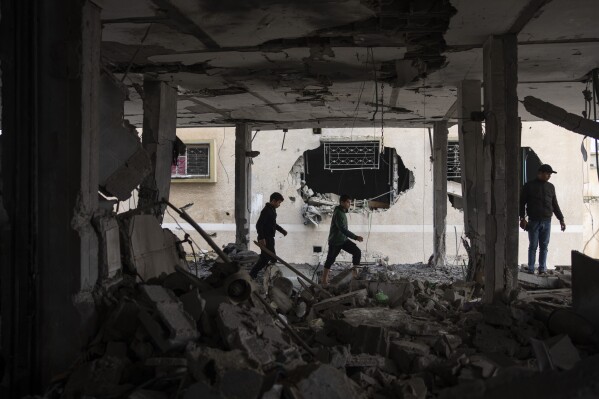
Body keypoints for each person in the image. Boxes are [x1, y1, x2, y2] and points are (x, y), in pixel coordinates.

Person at [519, 164, 566, 274]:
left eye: (550, 174)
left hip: (547, 221)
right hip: (533, 221)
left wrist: (561, 219)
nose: (549, 176)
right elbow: (521, 203)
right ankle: (531, 269)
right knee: (533, 246)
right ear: (540, 173)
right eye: (547, 174)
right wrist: (522, 218)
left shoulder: (551, 187)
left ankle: (542, 269)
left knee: (544, 246)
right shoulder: (529, 186)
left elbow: (554, 205)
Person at [321, 194, 364, 285]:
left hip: (343, 240)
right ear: (342, 202)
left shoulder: (342, 211)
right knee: (330, 260)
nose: (349, 204)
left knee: (357, 252)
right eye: (348, 202)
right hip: (335, 241)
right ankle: (324, 280)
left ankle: (354, 275)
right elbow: (343, 229)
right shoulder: (339, 213)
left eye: (350, 202)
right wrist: (355, 237)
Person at [249, 192, 287, 279]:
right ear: (273, 201)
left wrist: (282, 230)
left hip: (269, 238)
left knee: (269, 258)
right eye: (279, 202)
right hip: (265, 238)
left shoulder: (272, 210)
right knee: (267, 258)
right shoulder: (266, 210)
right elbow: (259, 225)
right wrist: (262, 238)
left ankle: (263, 274)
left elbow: (273, 224)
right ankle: (253, 274)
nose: (279, 205)